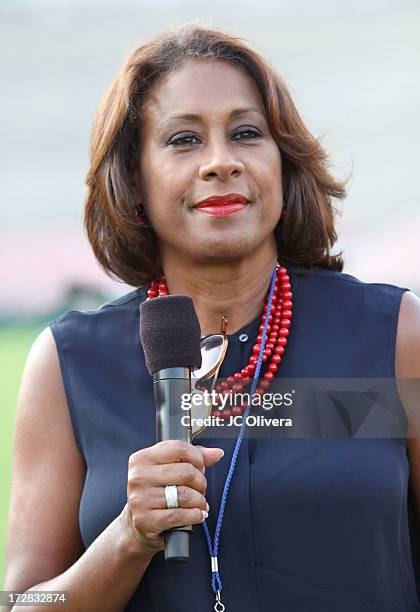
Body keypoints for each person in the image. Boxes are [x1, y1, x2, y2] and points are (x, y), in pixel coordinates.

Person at [4, 22, 420, 612]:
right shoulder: (72, 365)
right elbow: (21, 604)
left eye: (247, 134)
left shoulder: (391, 336)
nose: (221, 162)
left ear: (283, 163)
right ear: (135, 180)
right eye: (183, 140)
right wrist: (128, 538)